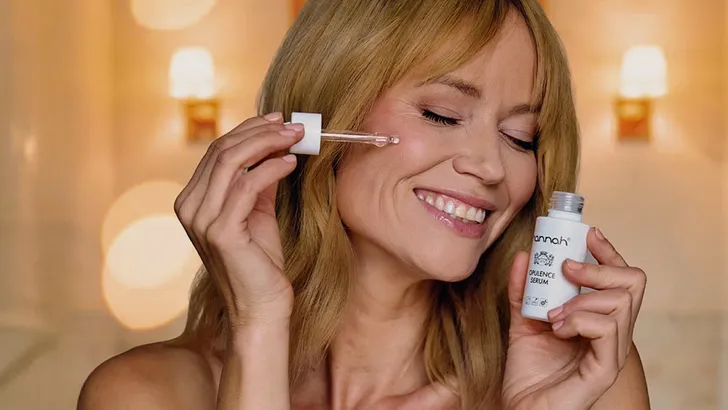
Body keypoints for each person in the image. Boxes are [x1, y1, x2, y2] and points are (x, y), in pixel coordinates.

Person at [78, 0, 651, 409]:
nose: (492, 166)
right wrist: (259, 327)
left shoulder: (587, 383)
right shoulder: (146, 395)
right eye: (442, 115)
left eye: (521, 137)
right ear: (326, 117)